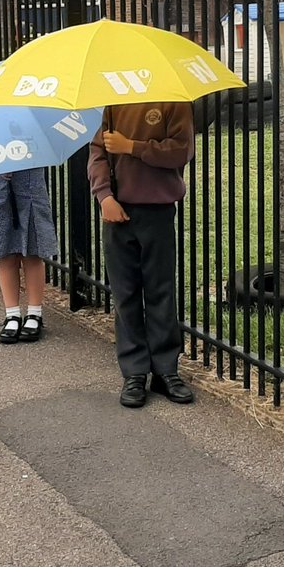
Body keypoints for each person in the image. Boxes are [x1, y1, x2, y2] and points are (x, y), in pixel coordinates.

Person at [88, 102, 195, 408]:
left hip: (158, 211)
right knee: (125, 293)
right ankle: (134, 371)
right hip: (118, 213)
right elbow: (98, 154)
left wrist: (131, 146)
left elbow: (180, 151)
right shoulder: (114, 103)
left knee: (160, 291)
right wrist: (104, 196)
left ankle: (165, 371)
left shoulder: (174, 101)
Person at [0, 168, 58, 344]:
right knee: (6, 255)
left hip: (30, 187)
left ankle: (35, 313)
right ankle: (12, 314)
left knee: (32, 254)